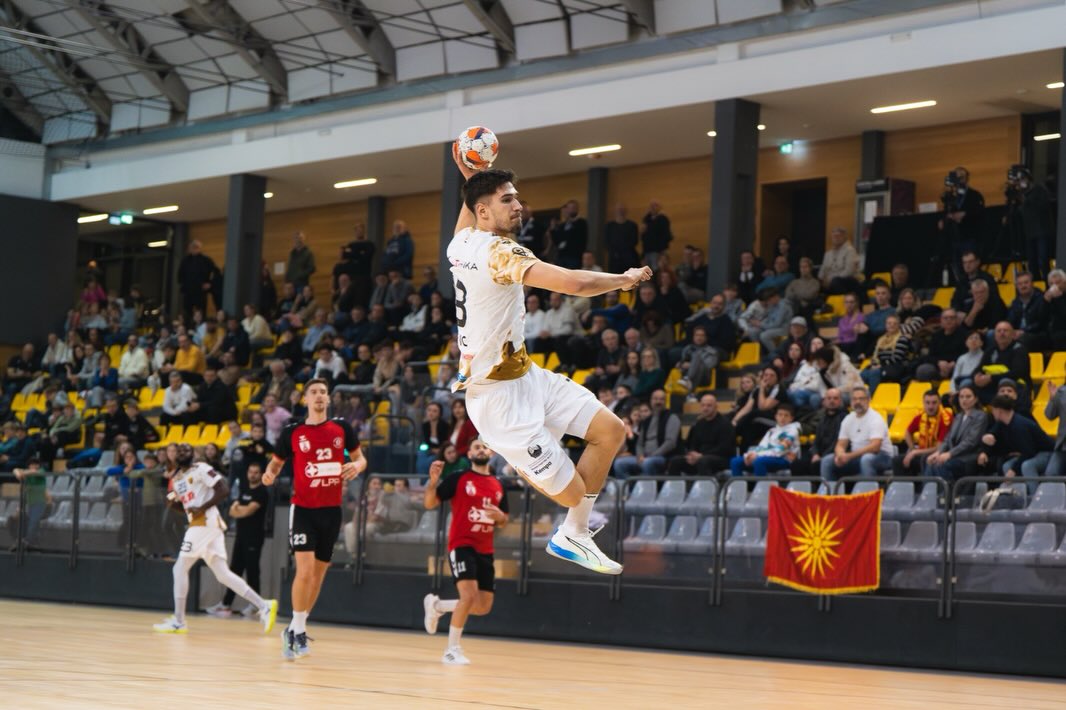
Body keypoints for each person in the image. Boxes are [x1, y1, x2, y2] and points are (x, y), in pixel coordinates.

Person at [446, 150, 651, 574]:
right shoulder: (500, 253)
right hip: (499, 402)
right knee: (573, 493)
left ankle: (574, 534)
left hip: (527, 376)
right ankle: (519, 460)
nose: (518, 205)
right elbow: (574, 283)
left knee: (611, 431)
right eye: (507, 199)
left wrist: (472, 177)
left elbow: (469, 211)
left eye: (516, 197)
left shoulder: (462, 242)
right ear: (483, 211)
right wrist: (624, 279)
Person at [262, 379, 367, 659]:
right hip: (303, 510)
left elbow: (361, 458)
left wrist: (356, 466)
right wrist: (270, 474)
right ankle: (296, 630)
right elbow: (276, 462)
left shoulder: (342, 428)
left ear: (328, 399)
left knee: (318, 577)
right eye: (314, 393)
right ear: (305, 399)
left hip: (331, 511)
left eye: (323, 392)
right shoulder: (292, 431)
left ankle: (297, 627)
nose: (319, 396)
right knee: (305, 572)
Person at [152, 443, 278, 635]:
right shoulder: (177, 479)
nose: (184, 452)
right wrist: (171, 500)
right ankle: (264, 605)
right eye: (180, 450)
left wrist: (201, 507)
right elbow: (178, 504)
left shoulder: (201, 468)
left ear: (193, 454)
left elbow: (223, 489)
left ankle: (179, 621)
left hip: (205, 522)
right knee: (223, 574)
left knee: (179, 568)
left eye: (187, 449)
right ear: (175, 456)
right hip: (204, 525)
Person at [421, 441, 508, 665]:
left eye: (484, 447)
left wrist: (499, 516)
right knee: (468, 597)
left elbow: (504, 520)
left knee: (482, 606)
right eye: (476, 447)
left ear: (491, 452)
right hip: (462, 545)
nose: (481, 450)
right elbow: (430, 503)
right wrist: (432, 482)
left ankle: (437, 606)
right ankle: (451, 650)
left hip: (485, 549)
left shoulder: (498, 484)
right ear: (469, 454)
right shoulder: (458, 478)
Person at [206, 462, 270, 618]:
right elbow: (232, 512)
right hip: (241, 536)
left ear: (261, 474)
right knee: (234, 570)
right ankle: (226, 604)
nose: (252, 475)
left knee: (252, 570)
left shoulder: (262, 492)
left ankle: (256, 605)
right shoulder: (244, 489)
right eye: (250, 471)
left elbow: (247, 511)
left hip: (254, 537)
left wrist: (239, 510)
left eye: (256, 472)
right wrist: (240, 510)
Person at [820, 387, 893, 480]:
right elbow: (840, 444)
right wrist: (840, 455)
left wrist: (849, 456)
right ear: (851, 402)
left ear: (868, 400)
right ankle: (830, 489)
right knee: (827, 460)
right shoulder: (848, 419)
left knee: (866, 459)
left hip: (882, 456)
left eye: (861, 399)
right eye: (854, 399)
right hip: (857, 456)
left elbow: (875, 447)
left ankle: (868, 489)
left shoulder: (875, 418)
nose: (857, 402)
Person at [979, 396, 1053, 485]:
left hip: (1045, 452)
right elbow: (992, 433)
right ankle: (1014, 492)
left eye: (993, 410)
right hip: (1031, 452)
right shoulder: (1003, 423)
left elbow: (1029, 451)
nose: (992, 413)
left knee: (1027, 466)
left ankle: (1034, 493)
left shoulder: (1019, 425)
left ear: (999, 411)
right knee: (1007, 466)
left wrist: (1014, 470)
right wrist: (986, 437)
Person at [924, 384, 988, 482]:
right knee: (930, 461)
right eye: (961, 397)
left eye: (968, 397)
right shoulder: (958, 416)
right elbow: (947, 438)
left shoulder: (981, 416)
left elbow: (970, 442)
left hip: (968, 456)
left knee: (941, 465)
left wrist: (949, 454)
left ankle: (947, 491)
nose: (964, 400)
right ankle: (928, 490)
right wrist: (938, 452)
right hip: (954, 455)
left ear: (975, 399)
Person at [612, 389, 680, 478]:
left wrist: (652, 455)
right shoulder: (646, 420)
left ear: (665, 401)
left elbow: (670, 443)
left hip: (663, 457)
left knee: (647, 463)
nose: (658, 402)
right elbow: (639, 443)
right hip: (644, 457)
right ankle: (629, 486)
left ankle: (647, 486)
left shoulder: (672, 418)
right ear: (651, 401)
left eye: (661, 399)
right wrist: (640, 455)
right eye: (655, 399)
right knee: (619, 463)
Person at [666, 393, 735, 476]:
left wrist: (701, 455)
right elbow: (692, 444)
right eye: (703, 405)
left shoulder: (725, 424)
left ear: (716, 407)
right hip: (700, 458)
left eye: (709, 405)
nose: (705, 408)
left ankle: (706, 485)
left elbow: (724, 448)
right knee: (675, 461)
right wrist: (692, 454)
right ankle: (675, 485)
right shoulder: (699, 424)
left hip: (721, 458)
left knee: (703, 461)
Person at [729, 404, 801, 477]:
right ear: (776, 416)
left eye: (786, 415)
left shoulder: (793, 431)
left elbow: (780, 450)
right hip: (765, 457)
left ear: (791, 418)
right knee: (735, 461)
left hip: (784, 459)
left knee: (759, 461)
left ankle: (761, 484)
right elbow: (762, 446)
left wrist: (757, 455)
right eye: (780, 415)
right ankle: (739, 484)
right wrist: (750, 455)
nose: (782, 418)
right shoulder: (771, 431)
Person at [893, 391, 953, 475]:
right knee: (897, 461)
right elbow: (907, 432)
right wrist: (912, 448)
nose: (930, 406)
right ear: (923, 403)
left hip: (939, 454)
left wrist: (915, 452)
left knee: (925, 459)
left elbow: (939, 448)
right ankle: (907, 483)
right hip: (922, 452)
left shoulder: (945, 419)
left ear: (939, 403)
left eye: (934, 403)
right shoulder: (921, 415)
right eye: (927, 403)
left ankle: (925, 484)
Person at [791, 388, 847, 477]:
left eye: (835, 398)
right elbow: (816, 441)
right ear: (824, 401)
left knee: (817, 465)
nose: (832, 401)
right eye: (829, 398)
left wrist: (821, 457)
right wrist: (815, 454)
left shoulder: (844, 418)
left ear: (840, 401)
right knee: (796, 464)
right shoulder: (822, 418)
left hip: (833, 454)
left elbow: (838, 442)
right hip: (819, 454)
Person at [818, 227, 861, 295]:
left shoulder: (850, 251)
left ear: (844, 237)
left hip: (845, 283)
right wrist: (820, 280)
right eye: (833, 236)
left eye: (838, 236)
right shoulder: (828, 254)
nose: (835, 238)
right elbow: (822, 271)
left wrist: (831, 280)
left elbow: (849, 272)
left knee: (836, 282)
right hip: (829, 283)